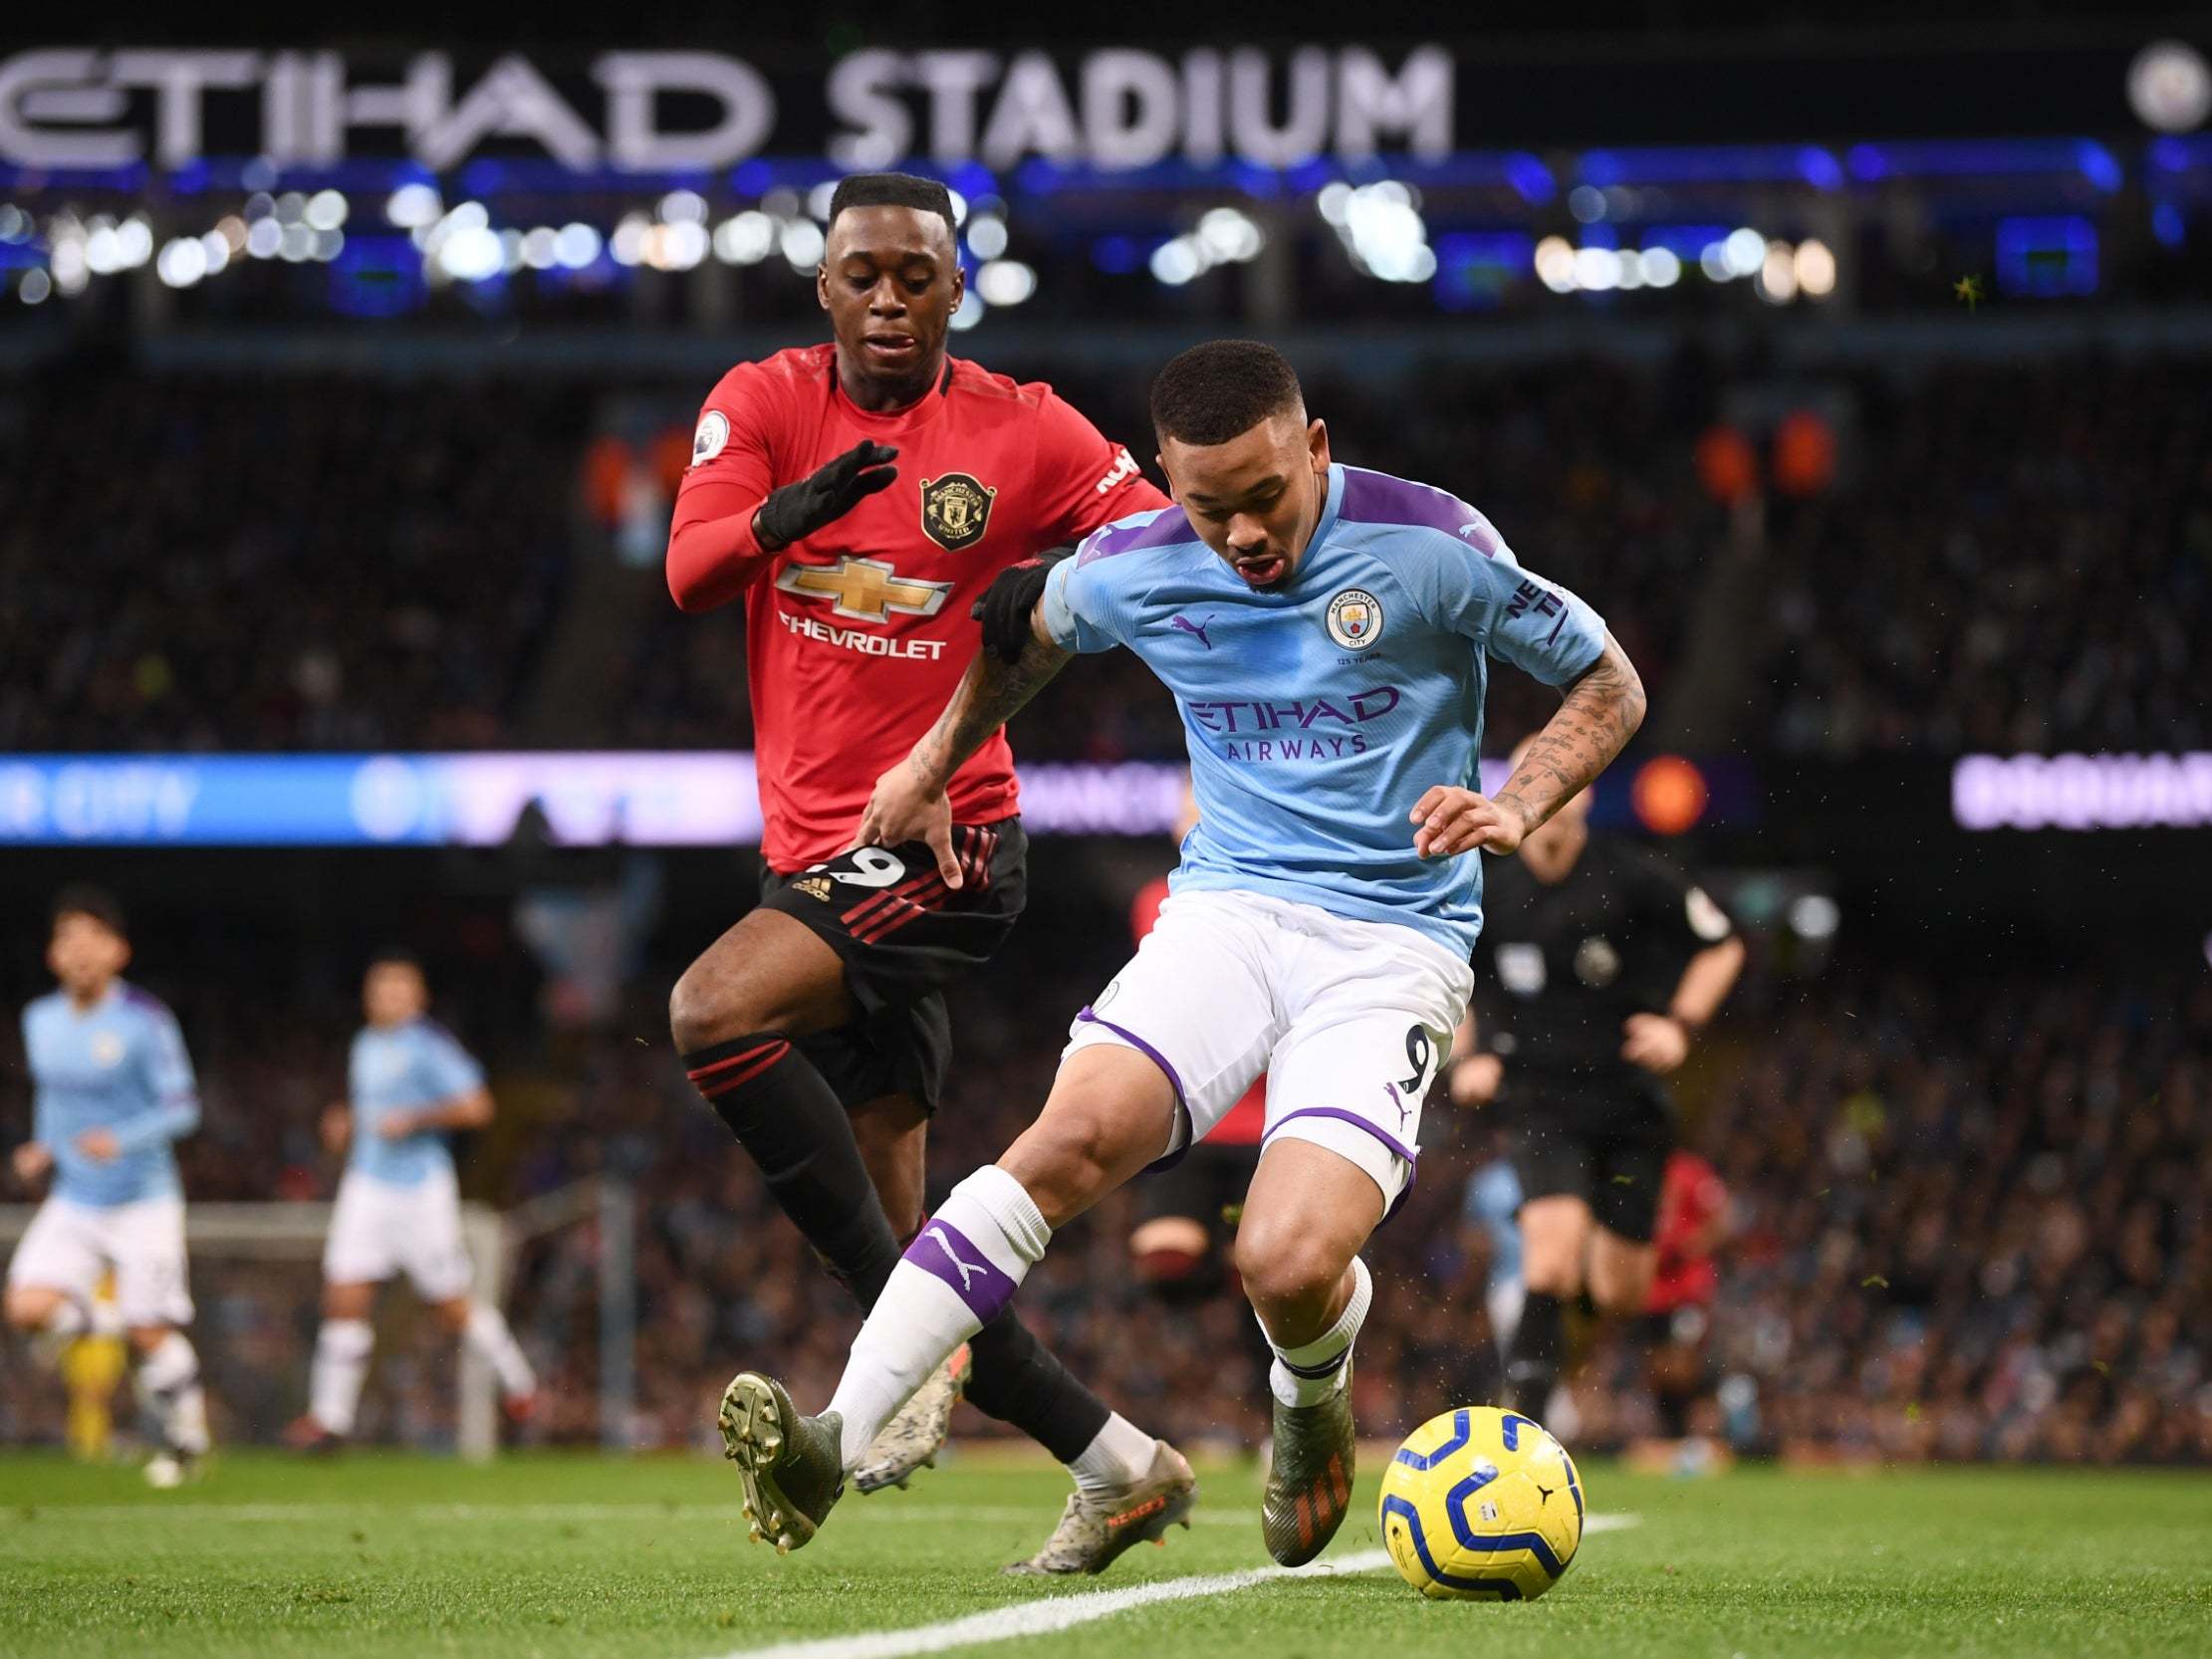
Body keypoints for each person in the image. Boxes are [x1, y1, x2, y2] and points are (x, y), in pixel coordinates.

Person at [716, 339, 1646, 1569]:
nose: (1245, 533)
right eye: (1210, 507)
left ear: (1313, 446)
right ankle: (835, 1432)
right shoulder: (1139, 563)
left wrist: (1518, 804)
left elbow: (1607, 679)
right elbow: (1022, 634)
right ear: (1166, 479)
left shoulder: (1433, 548)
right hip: (1227, 911)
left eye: (1267, 496)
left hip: (1390, 938)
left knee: (1285, 1261)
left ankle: (1309, 1398)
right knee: (1060, 1143)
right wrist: (932, 766)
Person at [661, 170, 1182, 1572]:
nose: (888, 299)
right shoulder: (765, 404)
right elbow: (690, 570)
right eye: (861, 275)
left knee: (712, 1011)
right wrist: (784, 518)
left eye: (915, 275)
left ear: (958, 288)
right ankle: (1120, 1464)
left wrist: (1060, 599)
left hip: (951, 845)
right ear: (821, 286)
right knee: (911, 1271)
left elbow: (1158, 537)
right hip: (813, 860)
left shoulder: (1020, 427)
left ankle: (871, 1400)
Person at [1451, 747, 1744, 1417]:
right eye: (1531, 780)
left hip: (1627, 1103)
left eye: (1562, 779)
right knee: (1548, 1260)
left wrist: (1680, 1023)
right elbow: (1451, 974)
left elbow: (1721, 943)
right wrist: (1468, 1055)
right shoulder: (1486, 889)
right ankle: (1519, 1422)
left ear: (1585, 792)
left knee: (1621, 1293)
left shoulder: (1632, 874)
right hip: (1538, 1100)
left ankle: (1592, 1318)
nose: (1548, 795)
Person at [282, 952, 537, 1450]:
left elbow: (478, 1107)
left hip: (420, 1191)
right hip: (366, 1186)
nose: (389, 997)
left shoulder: (430, 1046)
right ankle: (329, 1420)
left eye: (400, 989)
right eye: (381, 988)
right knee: (344, 1295)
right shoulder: (366, 1044)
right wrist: (347, 1123)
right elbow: (372, 1110)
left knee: (449, 1304)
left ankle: (519, 1381)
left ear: (418, 998)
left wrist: (416, 1119)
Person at [5, 887, 210, 1486]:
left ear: (118, 952)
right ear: (52, 955)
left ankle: (187, 1441)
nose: (80, 951)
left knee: (152, 1333)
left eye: (93, 939)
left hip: (143, 1198)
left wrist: (121, 1139)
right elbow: (55, 1096)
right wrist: (44, 1145)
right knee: (24, 1306)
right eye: (68, 939)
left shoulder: (146, 1020)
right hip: (75, 1196)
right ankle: (104, 1319)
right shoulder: (39, 1020)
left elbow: (184, 1108)